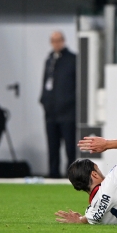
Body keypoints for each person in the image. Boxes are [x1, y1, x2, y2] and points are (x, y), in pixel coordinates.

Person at [39, 31, 76, 178]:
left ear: (63, 41)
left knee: (70, 147)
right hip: (51, 112)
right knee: (52, 147)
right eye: (53, 41)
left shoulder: (72, 60)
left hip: (68, 112)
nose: (56, 43)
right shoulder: (49, 60)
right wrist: (43, 100)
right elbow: (45, 83)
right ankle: (53, 174)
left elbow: (77, 86)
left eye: (58, 40)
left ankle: (71, 176)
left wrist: (69, 102)